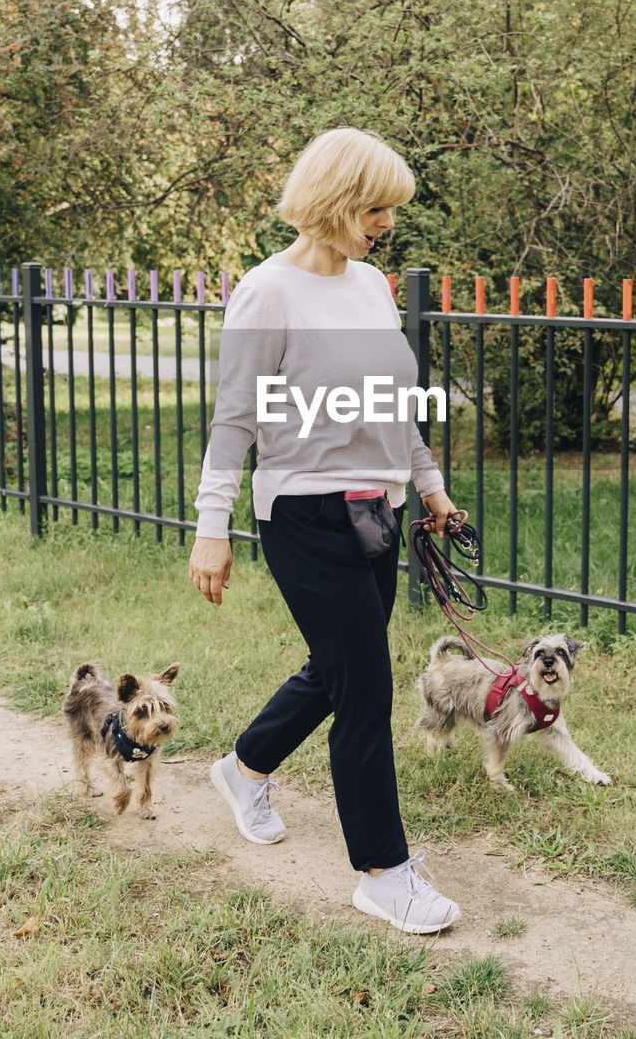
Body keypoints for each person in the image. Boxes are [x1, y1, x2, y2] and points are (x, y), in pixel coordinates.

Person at [189, 127, 461, 934]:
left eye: (390, 209)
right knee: (366, 692)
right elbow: (233, 419)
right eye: (375, 207)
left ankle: (244, 768)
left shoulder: (371, 285)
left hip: (372, 510)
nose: (386, 222)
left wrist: (430, 487)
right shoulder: (266, 292)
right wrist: (212, 528)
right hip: (303, 517)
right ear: (337, 202)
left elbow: (391, 403)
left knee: (340, 667)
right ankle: (383, 872)